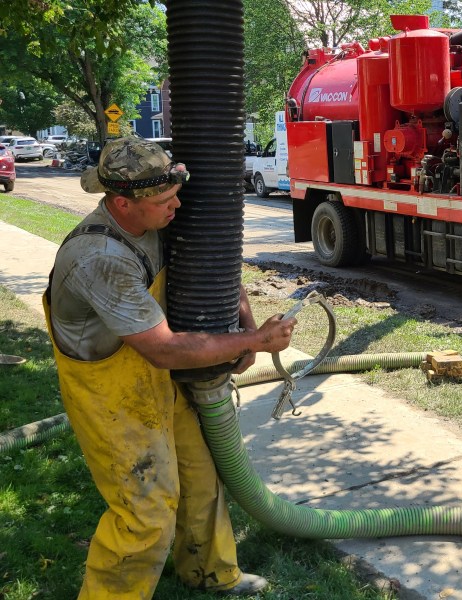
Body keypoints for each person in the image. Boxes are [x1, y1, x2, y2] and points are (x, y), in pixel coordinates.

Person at [43, 137, 296, 598]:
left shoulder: (158, 220)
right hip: (111, 395)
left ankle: (210, 573)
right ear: (122, 202)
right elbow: (164, 349)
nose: (176, 205)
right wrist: (256, 341)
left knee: (203, 477)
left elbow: (217, 268)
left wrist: (245, 324)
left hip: (159, 379)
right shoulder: (100, 258)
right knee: (146, 512)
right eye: (165, 200)